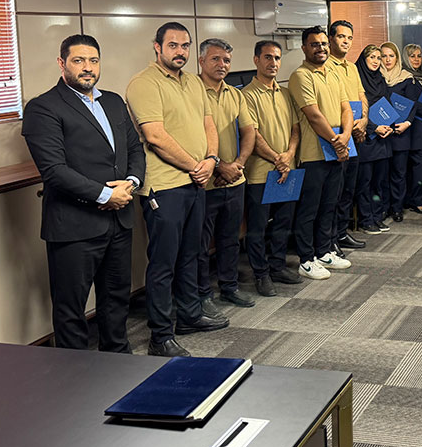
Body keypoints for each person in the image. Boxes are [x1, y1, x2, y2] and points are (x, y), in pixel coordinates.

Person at [22, 34, 145, 352]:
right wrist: (105, 195)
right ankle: (74, 374)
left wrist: (131, 183)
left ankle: (118, 360)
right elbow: (54, 170)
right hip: (74, 225)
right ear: (62, 63)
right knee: (71, 309)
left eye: (93, 60)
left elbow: (135, 149)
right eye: (78, 60)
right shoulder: (43, 108)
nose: (87, 67)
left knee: (116, 299)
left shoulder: (114, 102)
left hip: (119, 222)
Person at [126, 22, 228, 358]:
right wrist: (195, 166)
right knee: (163, 263)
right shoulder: (144, 83)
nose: (180, 51)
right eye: (173, 45)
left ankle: (189, 315)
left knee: (191, 255)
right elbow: (155, 136)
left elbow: (209, 123)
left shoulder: (194, 82)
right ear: (157, 47)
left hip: (195, 182)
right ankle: (160, 336)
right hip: (165, 187)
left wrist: (211, 159)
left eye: (185, 45)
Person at [287, 26, 354, 279]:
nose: (321, 48)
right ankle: (306, 259)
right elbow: (313, 115)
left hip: (337, 151)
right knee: (309, 209)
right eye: (315, 44)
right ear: (304, 48)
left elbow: (347, 109)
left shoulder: (333, 73)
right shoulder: (300, 76)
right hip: (313, 155)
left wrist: (344, 138)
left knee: (329, 205)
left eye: (324, 44)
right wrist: (338, 142)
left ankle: (324, 251)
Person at [197, 38, 256, 312]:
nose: (222, 65)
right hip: (204, 182)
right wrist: (220, 166)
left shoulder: (235, 94)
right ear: (201, 61)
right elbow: (190, 137)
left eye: (227, 61)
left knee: (230, 239)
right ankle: (202, 295)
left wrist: (238, 165)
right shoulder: (192, 92)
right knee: (199, 244)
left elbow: (249, 131)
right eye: (215, 59)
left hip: (234, 180)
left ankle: (229, 287)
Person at [242, 40, 304, 293]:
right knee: (257, 228)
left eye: (277, 58)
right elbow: (252, 135)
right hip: (260, 173)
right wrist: (277, 159)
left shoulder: (285, 93)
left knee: (283, 222)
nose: (273, 63)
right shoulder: (246, 95)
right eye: (268, 57)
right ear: (256, 60)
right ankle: (261, 274)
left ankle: (278, 266)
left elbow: (296, 128)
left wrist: (289, 155)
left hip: (287, 170)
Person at [327, 20, 368, 251]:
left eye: (349, 38)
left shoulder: (352, 67)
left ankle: (342, 233)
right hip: (338, 137)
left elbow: (362, 96)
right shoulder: (325, 67)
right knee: (335, 191)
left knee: (348, 189)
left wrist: (364, 120)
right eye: (341, 36)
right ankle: (330, 238)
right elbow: (335, 106)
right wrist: (351, 126)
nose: (346, 41)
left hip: (355, 135)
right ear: (331, 39)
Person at [380, 42, 422, 219]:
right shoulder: (376, 76)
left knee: (399, 172)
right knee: (382, 174)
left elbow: (412, 104)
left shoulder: (406, 77)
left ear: (397, 58)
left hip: (400, 132)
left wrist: (407, 123)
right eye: (384, 56)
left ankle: (397, 207)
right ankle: (383, 208)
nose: (387, 60)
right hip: (380, 131)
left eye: (391, 56)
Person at [354, 45, 393, 234]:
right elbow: (355, 111)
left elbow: (388, 105)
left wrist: (388, 125)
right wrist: (373, 128)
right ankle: (366, 219)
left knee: (379, 182)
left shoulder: (381, 80)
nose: (376, 61)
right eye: (372, 57)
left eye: (379, 58)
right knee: (365, 182)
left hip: (382, 139)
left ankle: (377, 217)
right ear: (364, 59)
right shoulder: (357, 80)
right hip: (365, 138)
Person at [402, 44, 422, 213]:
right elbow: (412, 103)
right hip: (412, 128)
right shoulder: (406, 78)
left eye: (419, 56)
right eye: (412, 56)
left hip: (420, 127)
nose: (416, 59)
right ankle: (417, 200)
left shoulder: (421, 78)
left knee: (416, 165)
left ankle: (412, 199)